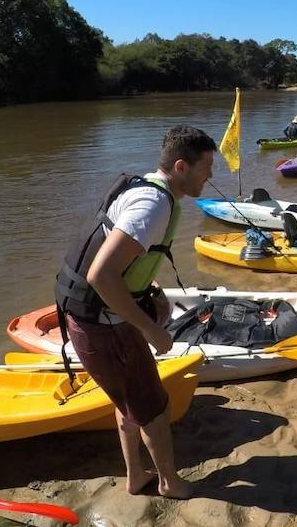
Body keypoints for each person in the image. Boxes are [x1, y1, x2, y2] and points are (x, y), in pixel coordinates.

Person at [53, 125, 216, 498]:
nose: (210, 176)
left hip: (92, 319)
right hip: (105, 326)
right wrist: (151, 330)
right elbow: (101, 275)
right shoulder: (152, 205)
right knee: (154, 408)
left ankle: (136, 476)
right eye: (206, 167)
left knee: (129, 402)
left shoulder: (145, 187)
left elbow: (117, 263)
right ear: (180, 167)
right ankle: (169, 483)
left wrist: (150, 290)